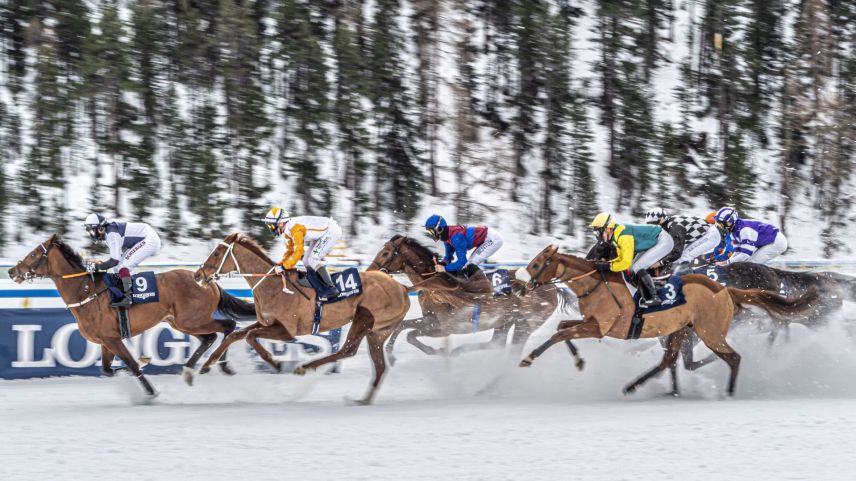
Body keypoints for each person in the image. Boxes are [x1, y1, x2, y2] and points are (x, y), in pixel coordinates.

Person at [589, 212, 674, 307]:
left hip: (663, 241)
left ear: (608, 228)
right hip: (654, 242)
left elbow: (625, 262)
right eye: (595, 232)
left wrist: (608, 266)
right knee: (631, 269)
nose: (597, 235)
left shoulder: (623, 236)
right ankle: (642, 296)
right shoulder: (615, 235)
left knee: (638, 267)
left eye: (598, 232)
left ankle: (654, 297)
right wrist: (607, 264)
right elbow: (621, 258)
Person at [83, 213, 162, 307]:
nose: (91, 234)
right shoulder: (108, 234)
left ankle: (128, 298)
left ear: (100, 229)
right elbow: (117, 259)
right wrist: (100, 265)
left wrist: (97, 267)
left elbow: (114, 260)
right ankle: (122, 294)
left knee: (123, 267)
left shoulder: (112, 235)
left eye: (92, 231)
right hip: (146, 237)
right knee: (118, 268)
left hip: (149, 239)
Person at [263, 207, 341, 300]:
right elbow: (290, 251)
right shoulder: (288, 232)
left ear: (281, 223)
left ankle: (331, 289)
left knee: (312, 259)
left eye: (271, 226)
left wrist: (284, 267)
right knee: (305, 260)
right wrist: (280, 265)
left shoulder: (295, 229)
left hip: (331, 231)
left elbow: (298, 251)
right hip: (321, 235)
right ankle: (316, 285)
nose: (271, 229)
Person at [423, 214, 503, 278]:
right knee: (468, 266)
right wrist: (442, 263)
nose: (431, 234)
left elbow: (462, 262)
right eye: (429, 232)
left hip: (493, 239)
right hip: (485, 238)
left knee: (470, 265)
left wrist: (444, 268)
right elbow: (448, 257)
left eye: (431, 231)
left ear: (439, 229)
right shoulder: (446, 238)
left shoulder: (456, 237)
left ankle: (486, 285)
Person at [644, 208, 721, 268]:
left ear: (661, 220)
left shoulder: (675, 227)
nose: (652, 227)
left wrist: (660, 263)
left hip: (711, 234)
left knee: (683, 258)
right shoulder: (668, 223)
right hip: (708, 232)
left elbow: (677, 252)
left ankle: (686, 280)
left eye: (653, 224)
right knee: (678, 258)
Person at [713, 207, 788, 265]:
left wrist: (725, 263)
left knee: (750, 264)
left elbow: (745, 255)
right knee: (746, 263)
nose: (721, 227)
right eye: (719, 224)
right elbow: (737, 253)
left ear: (731, 222)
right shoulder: (734, 231)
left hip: (776, 242)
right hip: (769, 241)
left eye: (722, 224)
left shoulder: (745, 230)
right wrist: (726, 263)